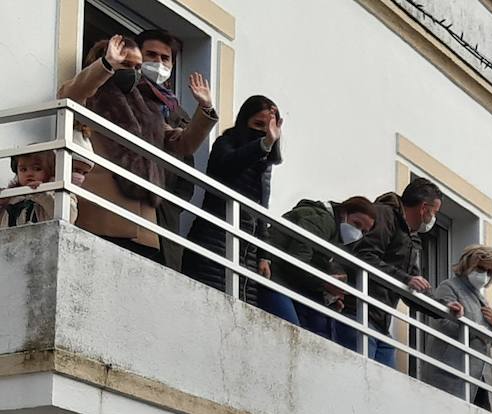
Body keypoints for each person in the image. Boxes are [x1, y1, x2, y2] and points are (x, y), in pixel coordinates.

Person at [58, 35, 217, 262]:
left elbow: (183, 144)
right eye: (125, 64)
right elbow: (71, 94)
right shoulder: (92, 97)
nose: (132, 72)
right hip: (101, 215)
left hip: (143, 227)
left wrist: (205, 108)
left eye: (137, 67)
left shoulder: (147, 107)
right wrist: (106, 65)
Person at [181, 96, 295, 323]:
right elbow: (227, 166)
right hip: (215, 236)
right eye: (258, 125)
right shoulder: (226, 143)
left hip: (248, 249)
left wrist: (264, 256)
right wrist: (263, 146)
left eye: (268, 128)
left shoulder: (265, 164)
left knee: (239, 314)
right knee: (207, 308)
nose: (263, 133)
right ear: (244, 122)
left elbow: (261, 210)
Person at [352, 178, 443, 367]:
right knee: (358, 380)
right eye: (435, 212)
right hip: (357, 311)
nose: (434, 219)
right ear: (424, 208)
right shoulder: (384, 215)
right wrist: (406, 279)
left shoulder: (413, 239)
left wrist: (444, 308)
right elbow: (364, 256)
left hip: (381, 322)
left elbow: (414, 290)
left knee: (381, 388)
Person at [262, 195, 377, 343]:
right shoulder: (323, 221)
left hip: (284, 280)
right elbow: (297, 261)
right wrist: (325, 283)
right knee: (291, 337)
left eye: (364, 231)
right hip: (273, 276)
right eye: (357, 224)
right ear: (343, 213)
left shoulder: (332, 232)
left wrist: (328, 294)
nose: (358, 233)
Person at [132, 29, 197, 271]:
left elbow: (187, 169)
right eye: (151, 55)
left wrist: (172, 202)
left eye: (165, 58)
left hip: (166, 215)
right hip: (130, 203)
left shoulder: (178, 112)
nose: (158, 63)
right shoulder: (125, 93)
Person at [427, 244, 492, 410]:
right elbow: (441, 322)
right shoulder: (449, 287)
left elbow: (487, 340)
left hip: (478, 373)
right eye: (480, 268)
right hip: (450, 369)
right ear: (468, 264)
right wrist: (477, 331)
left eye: (489, 272)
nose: (484, 275)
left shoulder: (481, 299)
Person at [2, 152, 63, 227]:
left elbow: (67, 216)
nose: (29, 174)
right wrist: (2, 204)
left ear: (51, 171)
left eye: (37, 169)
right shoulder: (12, 197)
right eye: (23, 169)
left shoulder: (58, 191)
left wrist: (42, 194)